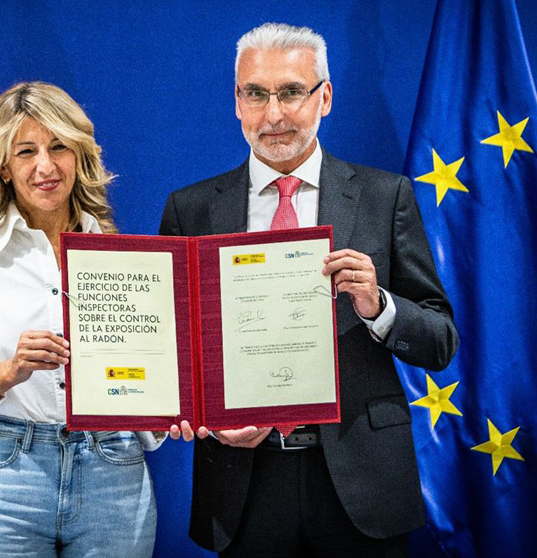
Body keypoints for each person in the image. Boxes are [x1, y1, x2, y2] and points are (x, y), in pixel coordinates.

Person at [162, 23, 459, 557]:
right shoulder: (192, 209)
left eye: (292, 91)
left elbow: (440, 341)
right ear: (237, 102)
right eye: (256, 93)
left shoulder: (383, 196)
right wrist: (205, 417)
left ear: (325, 97)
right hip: (243, 483)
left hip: (361, 480)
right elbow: (174, 350)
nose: (273, 114)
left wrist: (379, 305)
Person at [0, 82, 160, 557]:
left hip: (113, 469)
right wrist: (10, 371)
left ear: (79, 155)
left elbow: (147, 382)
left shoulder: (124, 257)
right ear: (4, 168)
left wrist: (170, 407)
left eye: (58, 147)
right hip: (5, 476)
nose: (45, 166)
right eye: (26, 151)